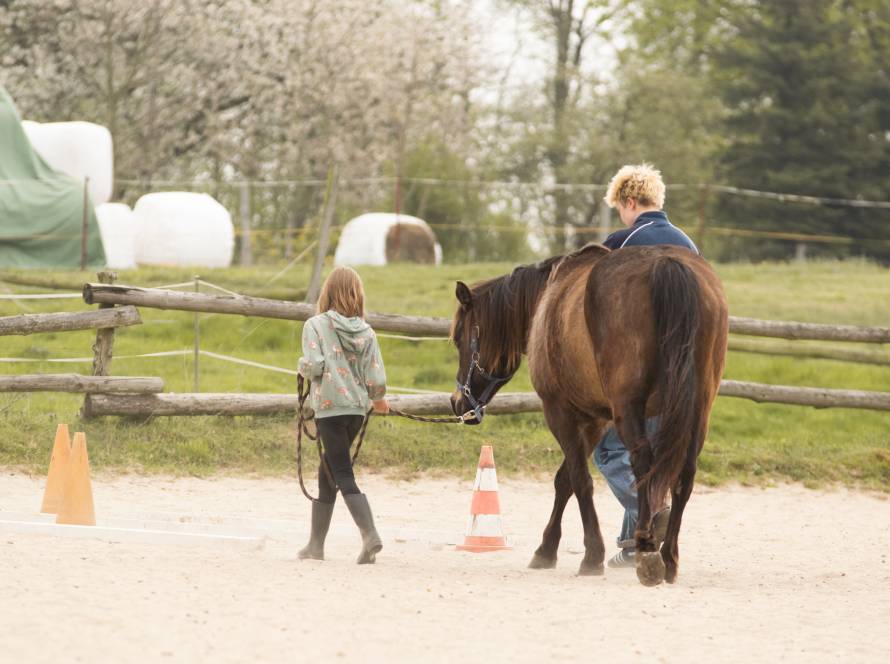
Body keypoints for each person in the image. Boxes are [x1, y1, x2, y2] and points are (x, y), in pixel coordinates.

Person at [595, 163, 698, 568]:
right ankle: (630, 543)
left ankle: (652, 514)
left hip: (637, 370)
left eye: (620, 206)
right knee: (653, 453)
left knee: (610, 450)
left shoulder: (623, 242)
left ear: (630, 202)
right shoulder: (689, 246)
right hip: (679, 374)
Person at [296, 266, 389, 564]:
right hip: (355, 412)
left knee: (343, 473)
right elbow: (375, 375)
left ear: (328, 292)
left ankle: (369, 535)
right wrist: (379, 399)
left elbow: (315, 366)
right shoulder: (367, 331)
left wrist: (301, 367)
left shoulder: (315, 325)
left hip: (329, 409)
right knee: (329, 472)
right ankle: (315, 546)